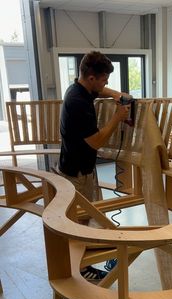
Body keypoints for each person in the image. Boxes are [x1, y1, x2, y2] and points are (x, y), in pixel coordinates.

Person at [58, 50, 131, 283]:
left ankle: (82, 264)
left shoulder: (79, 89)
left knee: (83, 219)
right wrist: (116, 118)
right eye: (104, 79)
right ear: (91, 78)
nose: (106, 83)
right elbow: (96, 142)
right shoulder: (79, 102)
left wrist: (117, 95)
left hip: (76, 166)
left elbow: (102, 90)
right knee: (79, 222)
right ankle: (80, 271)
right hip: (77, 173)